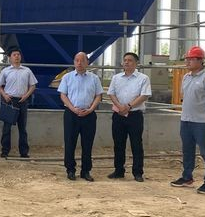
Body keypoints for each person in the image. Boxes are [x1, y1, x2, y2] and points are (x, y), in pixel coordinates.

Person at [170, 46, 205, 194]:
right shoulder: (186, 77)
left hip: (202, 121)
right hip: (186, 120)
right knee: (187, 150)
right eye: (186, 59)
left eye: (191, 59)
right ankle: (187, 177)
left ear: (200, 61)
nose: (187, 62)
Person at [58, 52, 103, 182]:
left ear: (87, 63)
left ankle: (86, 171)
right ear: (74, 62)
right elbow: (63, 95)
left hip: (89, 115)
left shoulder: (94, 78)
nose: (79, 63)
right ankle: (70, 170)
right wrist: (73, 109)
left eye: (82, 60)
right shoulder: (67, 77)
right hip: (71, 114)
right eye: (77, 60)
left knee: (87, 144)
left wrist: (90, 109)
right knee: (70, 143)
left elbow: (98, 95)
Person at [107, 52, 152, 182]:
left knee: (136, 144)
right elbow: (111, 93)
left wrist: (128, 106)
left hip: (135, 115)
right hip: (118, 115)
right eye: (125, 60)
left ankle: (137, 172)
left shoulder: (143, 78)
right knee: (118, 143)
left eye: (130, 60)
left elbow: (144, 95)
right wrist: (120, 106)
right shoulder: (116, 78)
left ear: (136, 63)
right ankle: (118, 170)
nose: (126, 62)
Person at [0, 48, 37, 158]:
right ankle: (5, 151)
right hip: (9, 101)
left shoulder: (27, 71)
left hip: (22, 101)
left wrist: (26, 96)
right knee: (6, 128)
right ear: (10, 57)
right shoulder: (5, 71)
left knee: (22, 128)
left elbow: (33, 85)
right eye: (14, 55)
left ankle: (24, 152)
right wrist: (4, 95)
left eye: (18, 54)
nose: (17, 56)